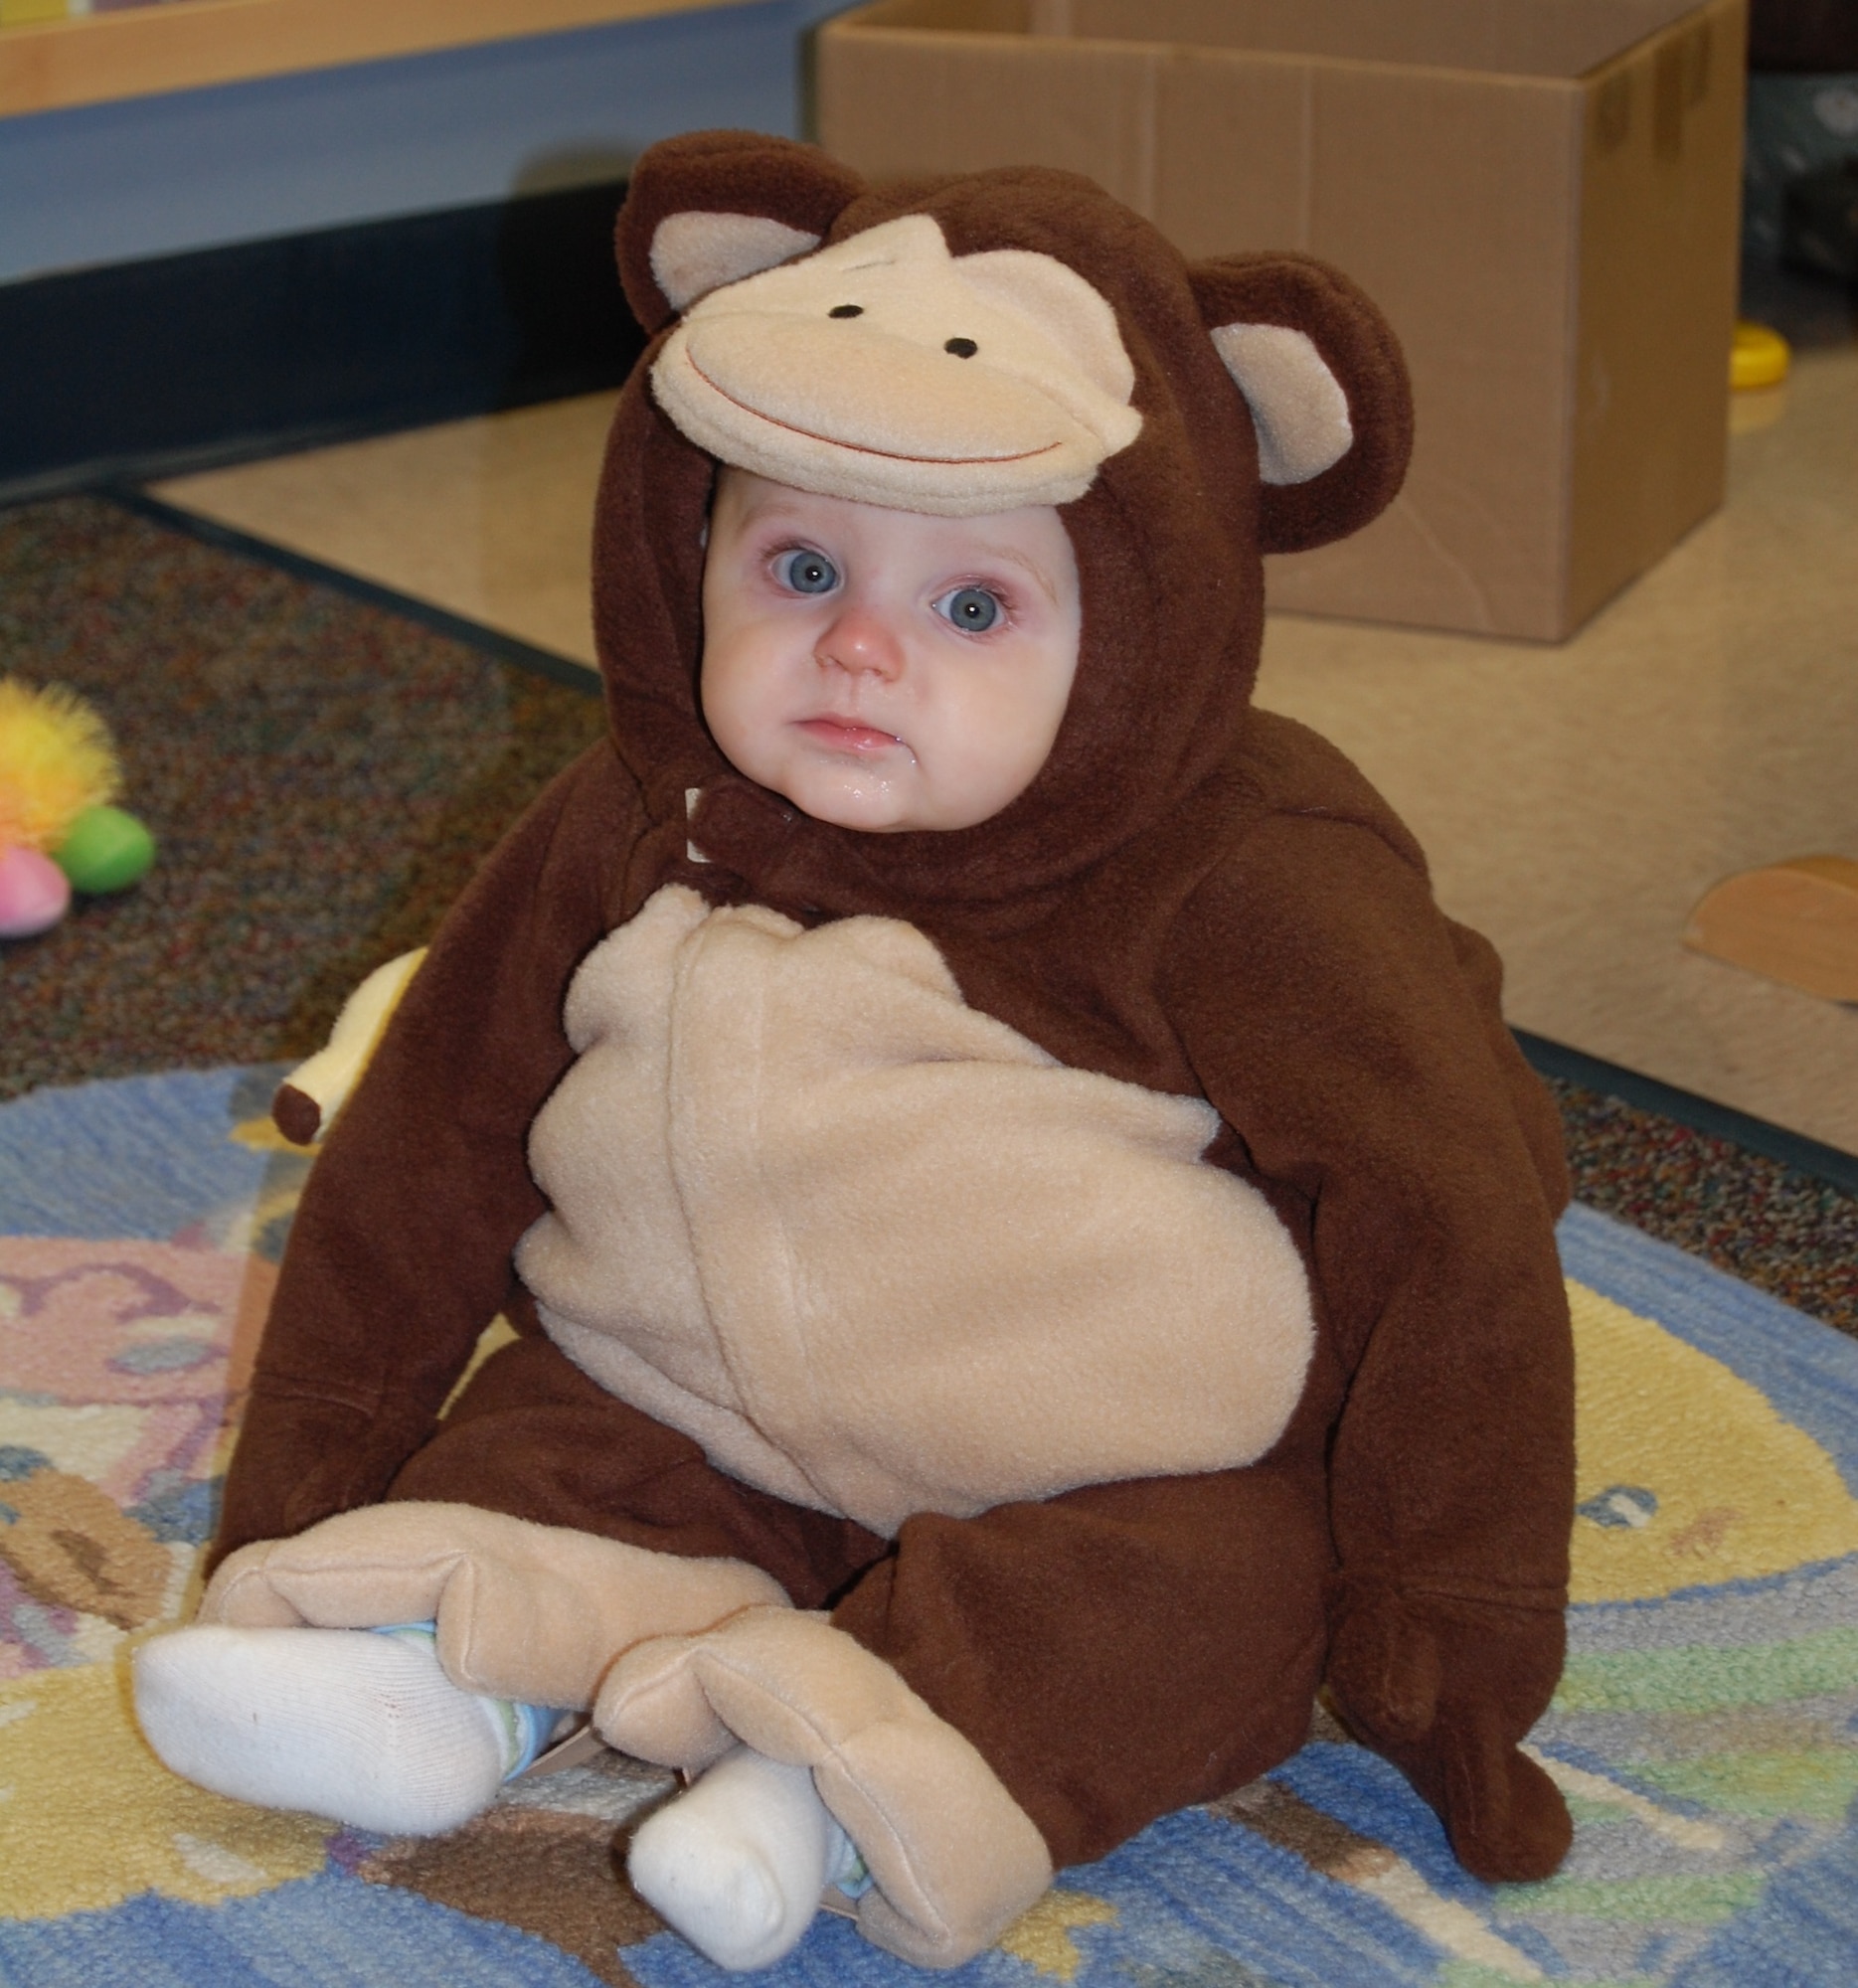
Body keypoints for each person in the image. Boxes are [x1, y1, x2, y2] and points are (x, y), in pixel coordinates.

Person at [133, 131, 1576, 1974]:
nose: (859, 653)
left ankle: (831, 1784)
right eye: (801, 566)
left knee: (1205, 1605)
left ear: (1137, 620)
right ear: (688, 549)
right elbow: (432, 1136)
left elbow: (1444, 1229)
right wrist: (308, 1487)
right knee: (548, 1452)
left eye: (971, 607)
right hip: (691, 1396)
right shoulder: (632, 815)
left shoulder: (1253, 878)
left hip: (1114, 1460)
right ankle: (437, 1666)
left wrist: (1455, 1642)